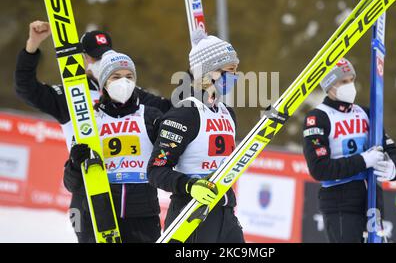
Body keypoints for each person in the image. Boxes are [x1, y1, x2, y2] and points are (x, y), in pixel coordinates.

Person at [14, 20, 171, 242]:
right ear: (83, 59)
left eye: (106, 54)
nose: (102, 61)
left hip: (135, 197)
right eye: (96, 57)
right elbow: (26, 89)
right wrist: (32, 45)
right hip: (86, 185)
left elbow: (172, 109)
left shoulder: (128, 90)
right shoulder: (71, 94)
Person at [147, 29, 245, 243]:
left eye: (236, 70)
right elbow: (155, 171)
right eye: (230, 70)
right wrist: (190, 185)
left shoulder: (227, 113)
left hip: (226, 213)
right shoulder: (185, 113)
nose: (235, 76)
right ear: (209, 71)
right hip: (191, 216)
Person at [63, 51, 163, 242]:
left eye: (129, 77)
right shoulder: (89, 121)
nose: (123, 82)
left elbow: (169, 159)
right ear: (104, 83)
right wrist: (75, 164)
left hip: (142, 217)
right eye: (116, 77)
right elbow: (71, 184)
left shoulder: (151, 116)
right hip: (99, 215)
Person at [302, 58, 396, 243]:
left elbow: (390, 148)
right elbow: (319, 169)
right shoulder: (318, 118)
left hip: (372, 199)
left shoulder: (366, 113)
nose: (351, 86)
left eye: (352, 80)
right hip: (340, 202)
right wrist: (363, 161)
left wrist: (393, 168)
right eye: (344, 82)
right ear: (330, 85)